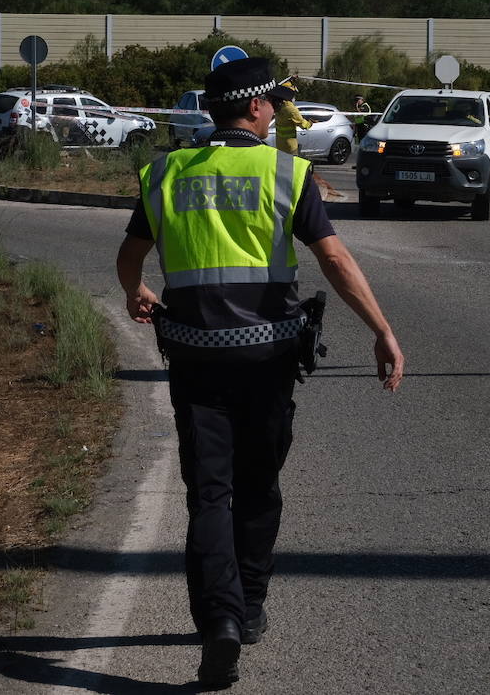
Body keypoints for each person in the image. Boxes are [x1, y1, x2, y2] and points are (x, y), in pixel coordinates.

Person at [116, 56, 405, 689]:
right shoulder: (286, 172)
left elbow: (131, 253)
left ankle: (219, 621)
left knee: (209, 493)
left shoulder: (164, 171)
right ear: (253, 109)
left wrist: (136, 290)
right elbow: (332, 259)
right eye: (273, 102)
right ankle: (247, 607)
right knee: (259, 484)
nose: (277, 112)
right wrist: (381, 330)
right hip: (269, 356)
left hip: (194, 357)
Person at [273, 77, 312, 156]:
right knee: (290, 167)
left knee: (281, 167)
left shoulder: (279, 105)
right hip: (290, 147)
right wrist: (310, 123)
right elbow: (303, 125)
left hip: (280, 145)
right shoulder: (291, 109)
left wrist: (291, 80)